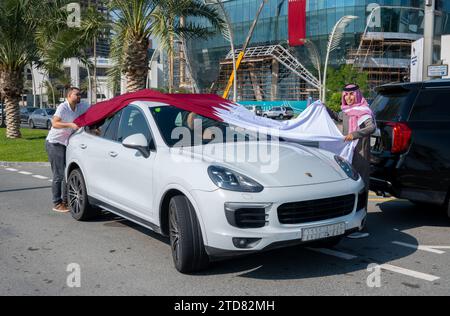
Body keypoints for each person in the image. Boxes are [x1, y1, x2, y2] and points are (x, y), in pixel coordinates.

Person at [45, 87, 89, 213]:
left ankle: (66, 202)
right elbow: (55, 123)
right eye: (77, 94)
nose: (79, 96)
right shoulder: (63, 107)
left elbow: (93, 112)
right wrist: (70, 125)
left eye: (80, 94)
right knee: (58, 174)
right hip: (54, 143)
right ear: (69, 96)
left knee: (66, 174)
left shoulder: (82, 106)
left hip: (66, 143)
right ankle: (57, 203)